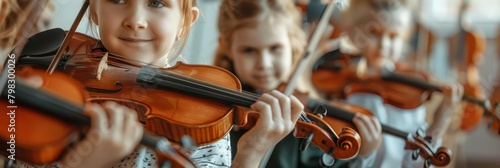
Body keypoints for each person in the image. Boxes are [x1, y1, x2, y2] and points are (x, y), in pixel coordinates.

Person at [9, 0, 304, 167]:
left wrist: (251, 153)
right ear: (94, 10)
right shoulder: (56, 74)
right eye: (118, 0)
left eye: (156, 3)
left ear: (186, 21)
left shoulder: (202, 111)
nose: (135, 19)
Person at [213, 0, 380, 167]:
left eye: (275, 48)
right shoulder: (214, 115)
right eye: (248, 50)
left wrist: (362, 157)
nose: (264, 63)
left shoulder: (306, 117)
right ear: (226, 47)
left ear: (292, 44)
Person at [311, 0, 465, 167]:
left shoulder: (410, 91)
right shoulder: (339, 78)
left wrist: (442, 116)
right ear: (353, 31)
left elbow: (418, 162)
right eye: (373, 32)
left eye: (393, 36)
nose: (383, 45)